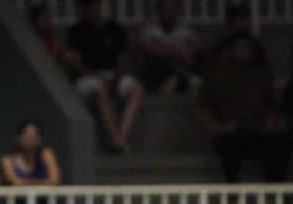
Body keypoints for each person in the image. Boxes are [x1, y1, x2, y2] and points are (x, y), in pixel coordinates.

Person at [195, 32, 292, 183]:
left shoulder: (262, 73)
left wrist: (270, 123)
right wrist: (217, 128)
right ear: (231, 50)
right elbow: (201, 107)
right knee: (231, 145)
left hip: (258, 130)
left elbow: (274, 105)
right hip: (230, 131)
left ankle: (272, 195)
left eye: (247, 47)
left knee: (282, 142)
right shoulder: (217, 74)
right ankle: (233, 196)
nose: (243, 50)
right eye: (239, 47)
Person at [67, 0, 145, 151]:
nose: (95, 9)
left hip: (113, 75)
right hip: (87, 78)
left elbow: (123, 59)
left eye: (97, 5)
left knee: (136, 89)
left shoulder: (115, 29)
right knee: (99, 89)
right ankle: (115, 137)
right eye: (91, 6)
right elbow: (75, 63)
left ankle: (121, 136)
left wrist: (115, 79)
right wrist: (98, 77)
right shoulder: (76, 31)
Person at [139, 0, 204, 93]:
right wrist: (180, 52)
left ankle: (178, 81)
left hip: (183, 64)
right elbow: (149, 47)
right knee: (156, 59)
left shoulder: (184, 28)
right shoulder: (150, 28)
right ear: (159, 11)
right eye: (166, 9)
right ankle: (182, 80)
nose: (169, 12)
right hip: (159, 67)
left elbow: (200, 45)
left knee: (199, 57)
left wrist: (191, 49)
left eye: (172, 9)